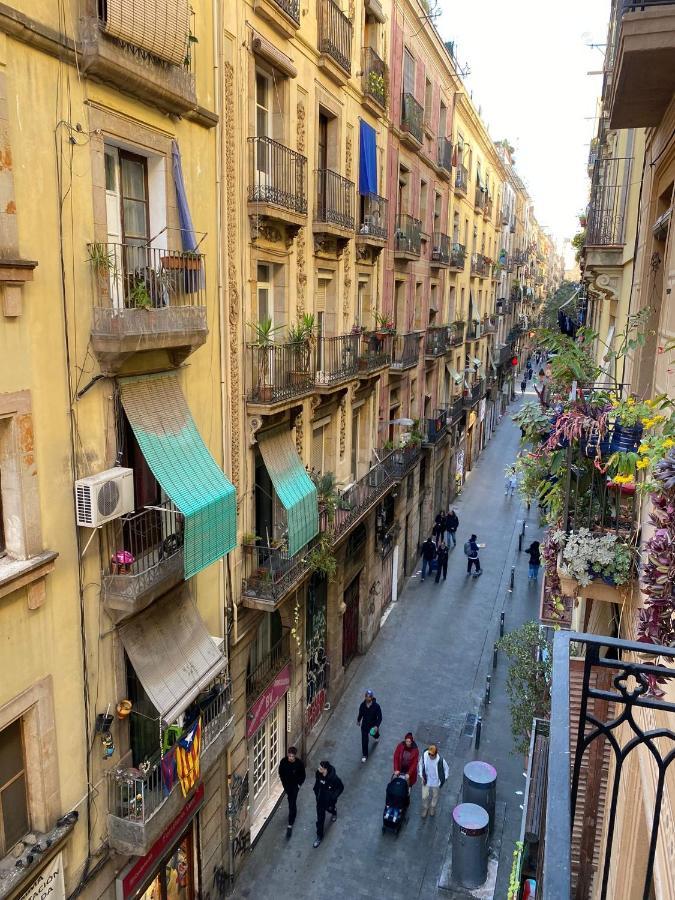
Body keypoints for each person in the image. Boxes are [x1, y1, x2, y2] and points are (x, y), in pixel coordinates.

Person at [312, 760, 344, 847]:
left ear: (325, 769)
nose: (318, 769)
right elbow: (317, 785)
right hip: (320, 801)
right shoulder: (318, 774)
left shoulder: (333, 778)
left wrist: (333, 797)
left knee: (331, 809)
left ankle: (334, 812)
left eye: (320, 768)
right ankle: (319, 836)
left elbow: (341, 787)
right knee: (320, 819)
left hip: (329, 802)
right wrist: (315, 791)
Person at [278, 745, 306, 839]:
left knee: (292, 802)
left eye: (292, 756)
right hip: (287, 786)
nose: (290, 758)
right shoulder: (283, 761)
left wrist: (299, 785)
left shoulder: (299, 764)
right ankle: (293, 813)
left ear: (295, 756)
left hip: (295, 787)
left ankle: (290, 823)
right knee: (291, 800)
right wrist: (283, 783)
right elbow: (280, 772)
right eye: (289, 756)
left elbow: (303, 775)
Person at [418, 744, 450, 818]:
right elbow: (420, 764)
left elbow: (447, 769)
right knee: (424, 796)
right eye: (429, 753)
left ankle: (432, 807)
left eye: (431, 754)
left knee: (435, 796)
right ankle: (425, 808)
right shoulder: (425, 756)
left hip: (436, 782)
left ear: (435, 754)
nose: (429, 755)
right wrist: (421, 775)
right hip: (426, 779)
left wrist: (444, 778)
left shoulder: (441, 760)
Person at [357, 689, 382, 762]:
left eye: (369, 697)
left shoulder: (376, 706)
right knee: (364, 740)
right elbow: (360, 714)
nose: (368, 698)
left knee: (373, 733)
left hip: (373, 725)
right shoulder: (362, 705)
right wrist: (358, 720)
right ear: (365, 697)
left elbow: (380, 717)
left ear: (372, 697)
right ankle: (365, 755)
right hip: (364, 725)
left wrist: (376, 726)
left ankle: (376, 736)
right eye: (366, 696)